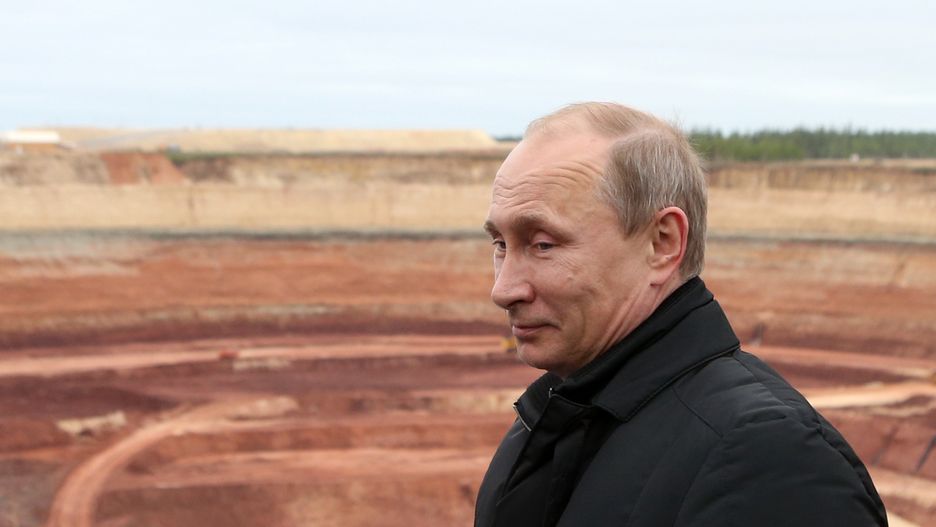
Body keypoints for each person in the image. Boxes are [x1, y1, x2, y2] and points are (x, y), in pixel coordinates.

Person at [474, 102, 887, 527]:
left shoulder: (769, 456)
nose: (503, 289)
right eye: (500, 245)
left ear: (662, 243)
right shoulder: (547, 423)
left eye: (543, 244)